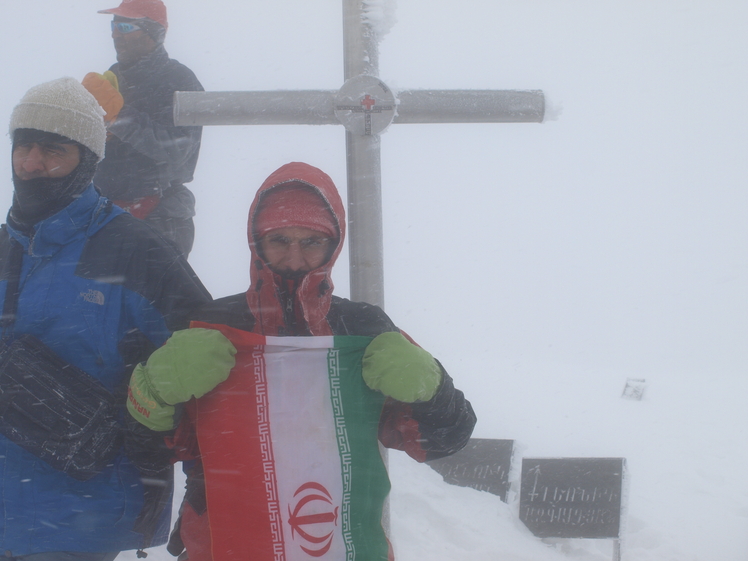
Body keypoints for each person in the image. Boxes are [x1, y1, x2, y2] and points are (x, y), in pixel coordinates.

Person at [127, 162, 477, 561]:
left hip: (340, 544)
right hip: (222, 543)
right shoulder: (211, 326)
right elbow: (148, 451)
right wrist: (154, 391)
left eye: (312, 241)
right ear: (256, 242)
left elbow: (446, 439)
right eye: (279, 240)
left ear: (334, 245)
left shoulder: (362, 330)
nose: (294, 259)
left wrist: (432, 390)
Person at [0, 77, 212, 559]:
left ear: (88, 161)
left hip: (83, 517)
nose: (32, 164)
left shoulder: (135, 252)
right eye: (23, 147)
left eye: (53, 150)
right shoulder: (2, 247)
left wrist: (206, 496)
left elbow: (212, 369)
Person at [82, 0, 203, 257]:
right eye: (114, 25)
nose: (115, 34)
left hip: (160, 218)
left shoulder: (181, 80)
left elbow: (178, 152)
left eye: (125, 26)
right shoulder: (113, 76)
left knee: (151, 297)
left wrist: (119, 117)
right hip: (105, 214)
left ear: (153, 32)